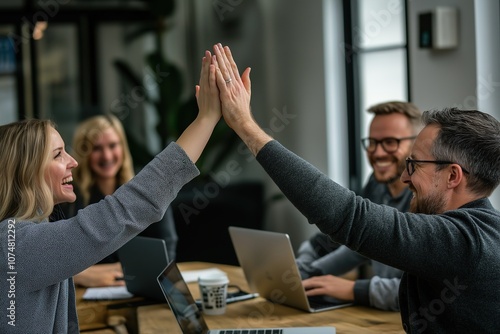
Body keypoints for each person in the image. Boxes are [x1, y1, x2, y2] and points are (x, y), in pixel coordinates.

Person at [210, 43, 500, 332]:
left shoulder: (463, 241)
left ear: (452, 176)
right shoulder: (476, 232)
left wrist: (246, 126)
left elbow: (349, 216)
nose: (404, 178)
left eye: (415, 166)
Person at [0, 49, 220, 333]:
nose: (73, 161)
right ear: (26, 172)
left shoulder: (18, 238)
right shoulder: (17, 245)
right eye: (57, 155)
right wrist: (206, 120)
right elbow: (126, 209)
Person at [295, 101, 422, 311]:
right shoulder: (376, 185)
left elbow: (423, 294)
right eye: (372, 142)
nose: (378, 153)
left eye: (390, 142)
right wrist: (310, 274)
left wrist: (353, 289)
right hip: (380, 316)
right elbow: (361, 246)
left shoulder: (426, 202)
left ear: (416, 146)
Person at [56, 114, 178, 287]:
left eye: (113, 145)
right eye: (97, 148)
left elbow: (167, 252)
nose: (106, 156)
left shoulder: (145, 190)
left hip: (140, 289)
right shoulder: (68, 198)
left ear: (123, 147)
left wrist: (87, 272)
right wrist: (81, 276)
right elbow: (59, 262)